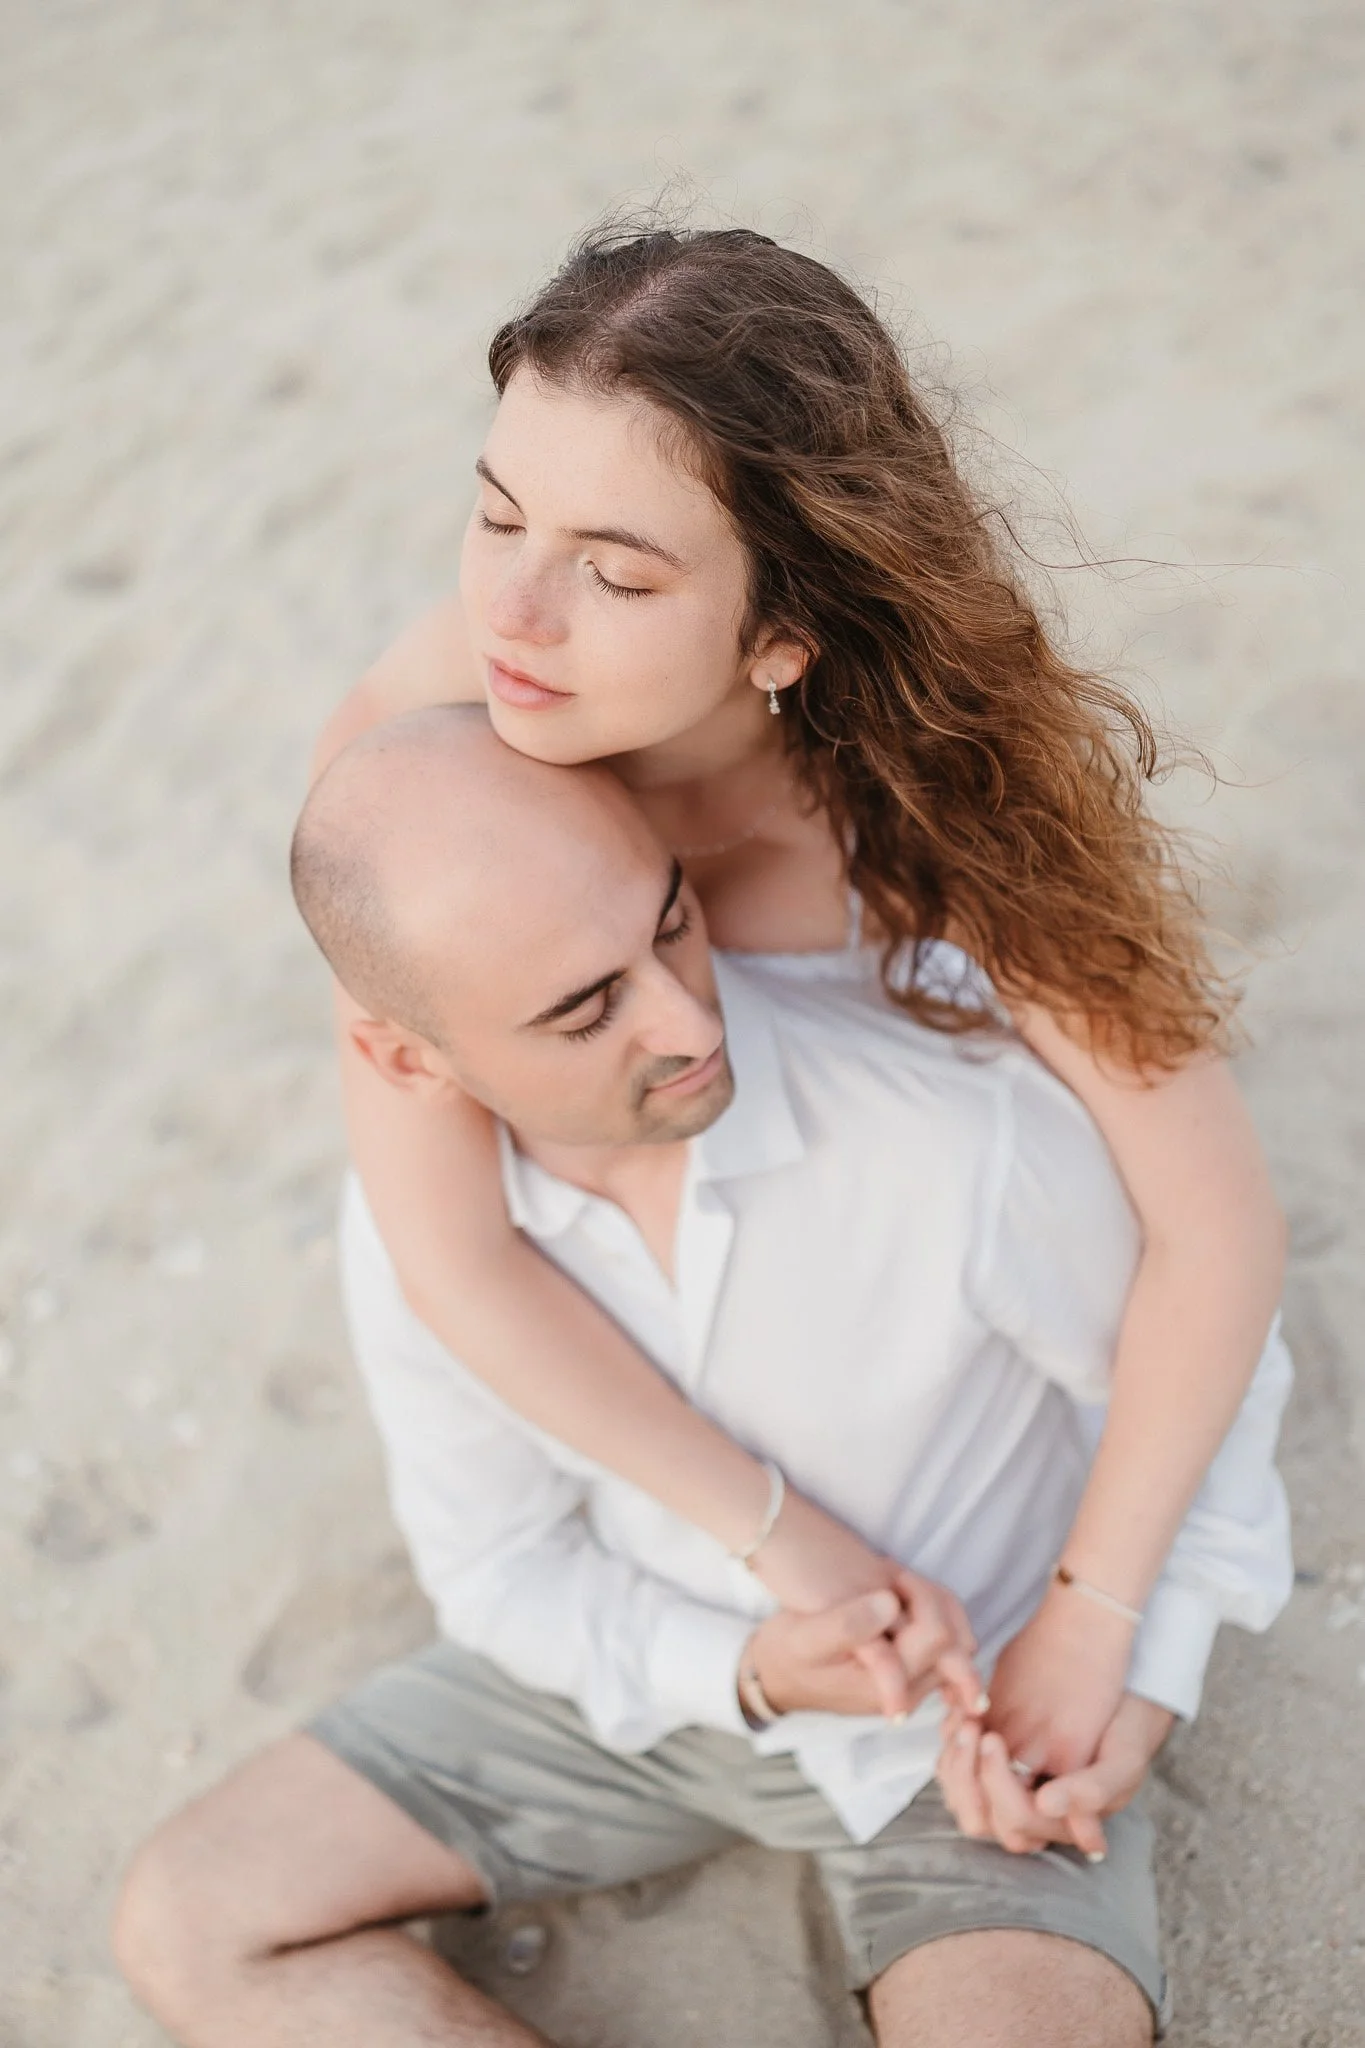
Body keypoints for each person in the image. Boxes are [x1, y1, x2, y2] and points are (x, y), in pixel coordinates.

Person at [114, 710, 1293, 2048]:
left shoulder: (942, 1131)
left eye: (669, 924)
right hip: (646, 1697)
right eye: (586, 1007)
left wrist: (1135, 1664)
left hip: (970, 1738)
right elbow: (498, 1570)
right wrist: (745, 1671)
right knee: (193, 1912)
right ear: (408, 1061)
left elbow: (1217, 1371)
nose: (686, 1016)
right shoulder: (418, 1236)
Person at [316, 220, 1287, 1785]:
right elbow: (455, 1259)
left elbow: (1216, 1222)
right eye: (498, 519)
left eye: (616, 572)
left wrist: (1099, 1619)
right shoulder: (432, 754)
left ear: (781, 635)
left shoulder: (946, 822)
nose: (515, 616)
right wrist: (780, 1542)